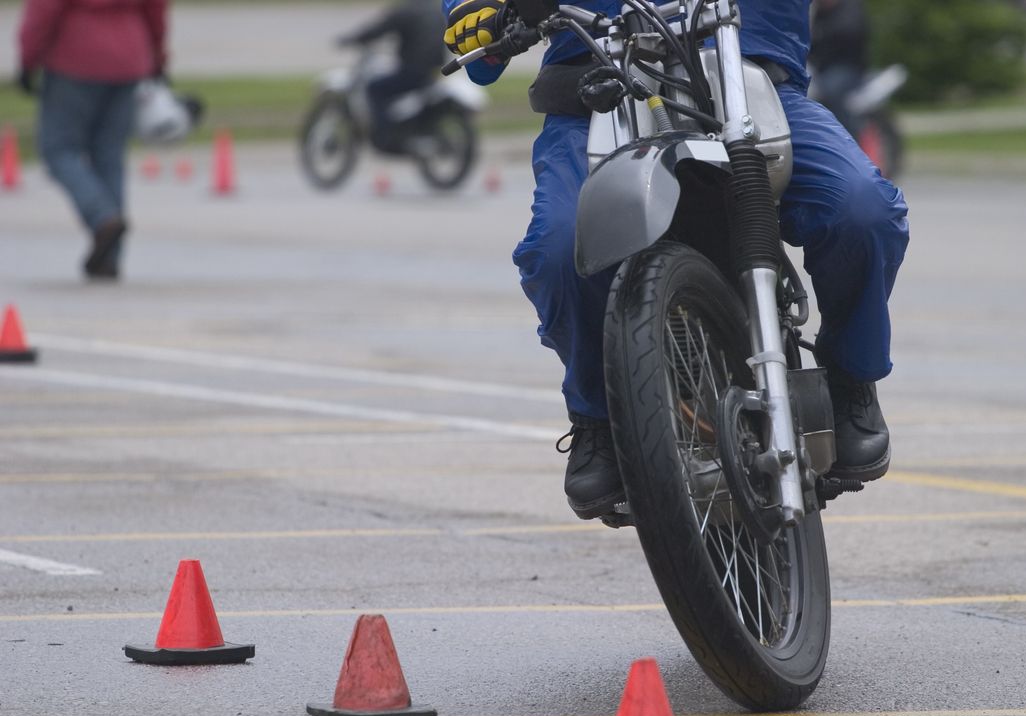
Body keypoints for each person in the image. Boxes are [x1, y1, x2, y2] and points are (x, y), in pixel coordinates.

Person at [443, 0, 909, 520]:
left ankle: (850, 381)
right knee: (559, 249)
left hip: (747, 81)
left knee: (863, 212)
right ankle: (599, 418)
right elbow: (479, 52)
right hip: (597, 93)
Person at [17, 0, 167, 282]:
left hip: (76, 58)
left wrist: (28, 59)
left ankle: (103, 219)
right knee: (110, 156)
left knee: (58, 149)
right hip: (130, 57)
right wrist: (157, 57)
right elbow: (156, 9)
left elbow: (44, 9)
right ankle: (109, 257)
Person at [339, 0, 448, 151]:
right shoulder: (436, 10)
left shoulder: (406, 11)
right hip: (435, 70)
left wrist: (353, 39)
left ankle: (384, 137)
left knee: (374, 89)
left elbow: (379, 28)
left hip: (413, 71)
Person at [809, 0, 871, 138]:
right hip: (822, 69)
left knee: (829, 92)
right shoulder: (818, 11)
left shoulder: (850, 8)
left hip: (848, 68)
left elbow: (850, 32)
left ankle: (847, 137)